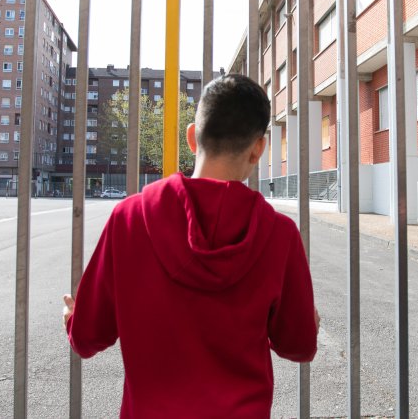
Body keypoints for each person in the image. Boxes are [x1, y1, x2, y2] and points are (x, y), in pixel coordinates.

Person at [63, 74, 318, 418]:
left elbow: (87, 337)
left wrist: (73, 318)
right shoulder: (281, 235)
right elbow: (299, 345)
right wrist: (308, 323)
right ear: (258, 148)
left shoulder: (129, 219)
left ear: (191, 138)